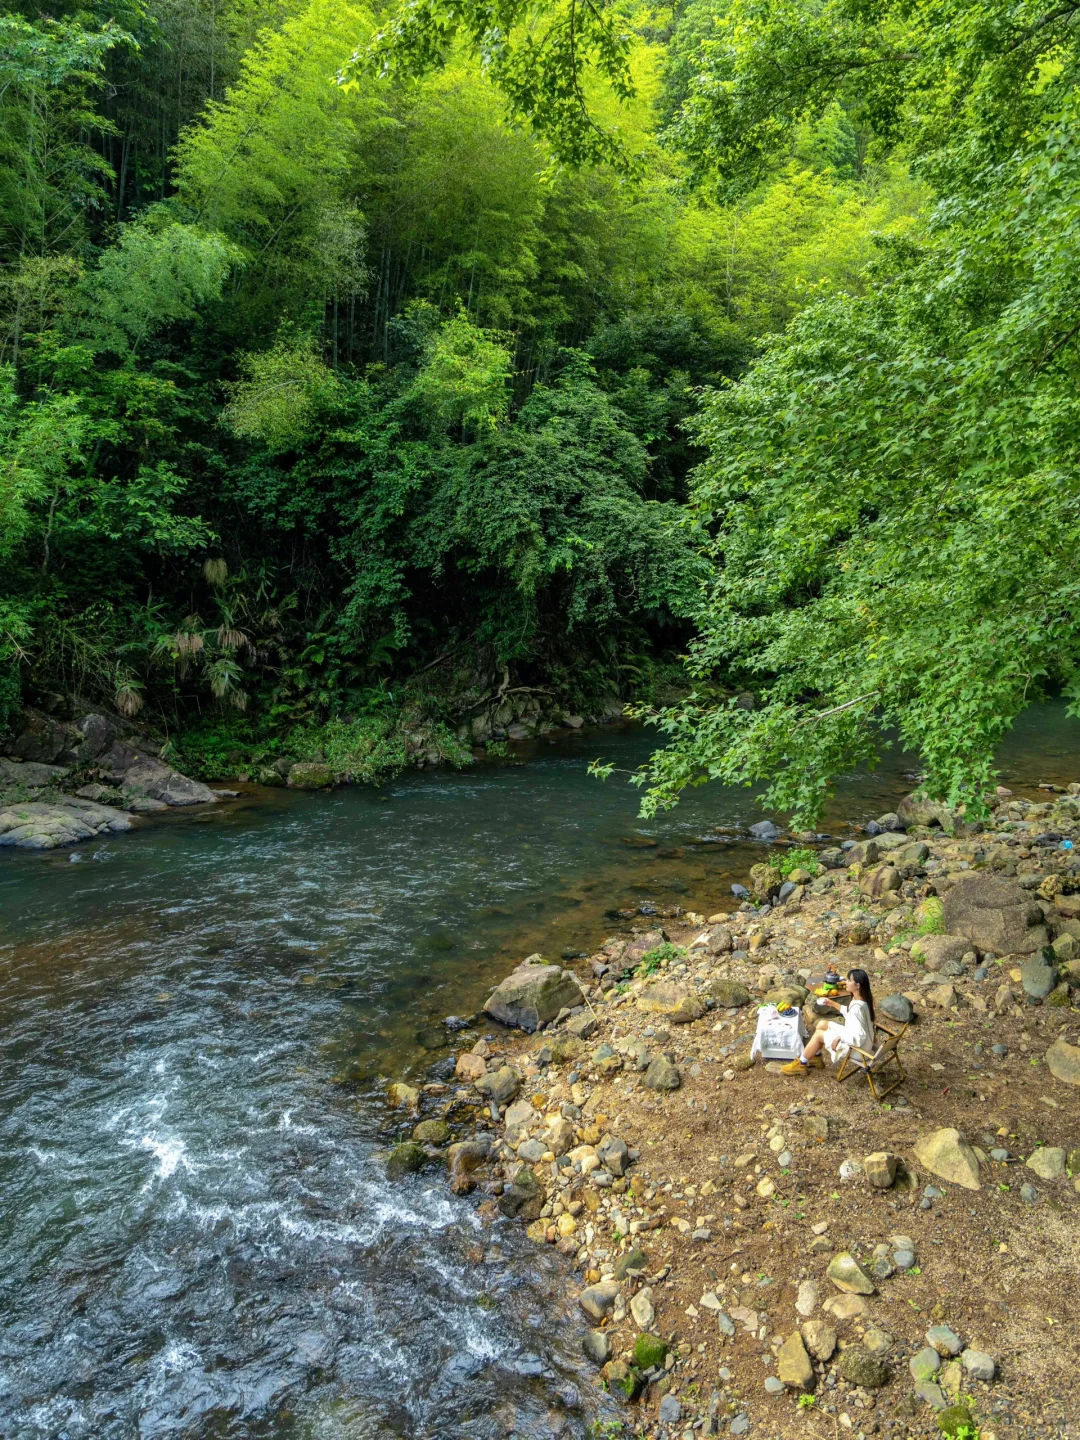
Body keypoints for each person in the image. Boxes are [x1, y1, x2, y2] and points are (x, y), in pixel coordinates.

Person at [781, 969, 876, 1075]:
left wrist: (840, 1037)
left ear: (858, 985)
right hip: (862, 1042)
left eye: (849, 980)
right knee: (822, 1023)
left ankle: (801, 1064)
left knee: (818, 1035)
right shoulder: (861, 1000)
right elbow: (850, 1014)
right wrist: (832, 1003)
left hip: (859, 1050)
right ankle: (816, 1057)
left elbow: (860, 1036)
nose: (846, 982)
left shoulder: (857, 1009)